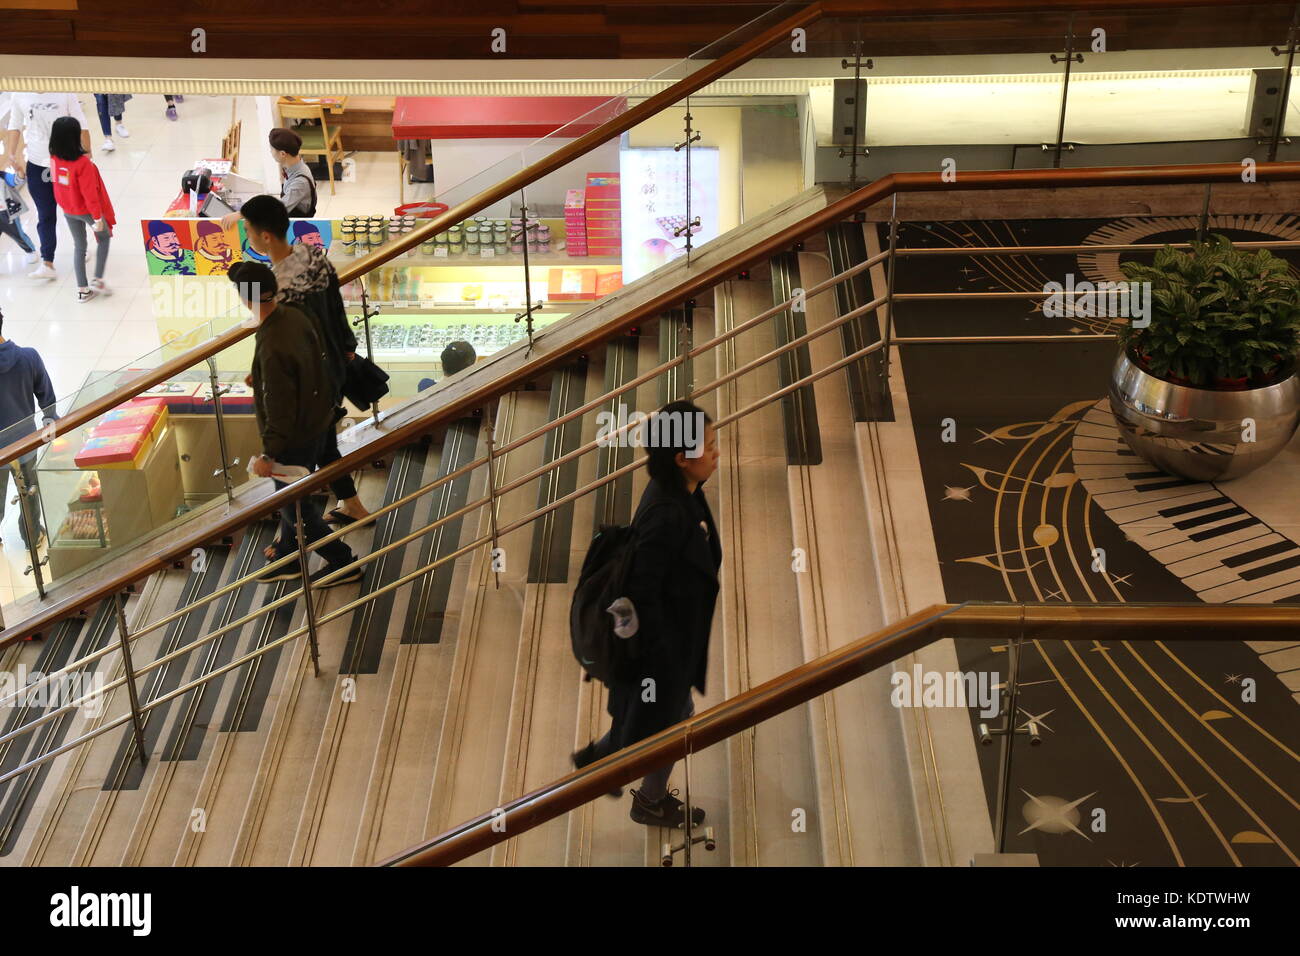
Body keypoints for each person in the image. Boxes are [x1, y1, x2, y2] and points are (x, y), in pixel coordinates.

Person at [571, 400, 722, 828]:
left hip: (671, 649)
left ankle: (601, 765)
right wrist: (664, 659)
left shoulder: (680, 491)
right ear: (681, 458)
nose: (716, 452)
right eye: (708, 446)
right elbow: (638, 595)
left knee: (663, 717)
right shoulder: (667, 515)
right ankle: (645, 798)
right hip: (660, 656)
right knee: (669, 723)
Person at [237, 195, 369, 537]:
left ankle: (294, 538)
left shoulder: (276, 286)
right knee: (324, 443)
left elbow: (279, 337)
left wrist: (268, 370)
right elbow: (336, 306)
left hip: (307, 378)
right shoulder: (312, 255)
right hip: (331, 367)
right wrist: (347, 348)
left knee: (294, 458)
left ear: (265, 235)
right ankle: (350, 505)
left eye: (248, 229)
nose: (246, 235)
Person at [227, 261, 362, 587]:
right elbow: (305, 363)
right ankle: (288, 556)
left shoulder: (273, 341)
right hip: (318, 420)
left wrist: (268, 456)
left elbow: (280, 409)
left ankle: (344, 563)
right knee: (293, 498)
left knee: (294, 507)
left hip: (293, 439)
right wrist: (261, 375)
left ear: (246, 298)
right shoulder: (292, 314)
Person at [4, 92, 91, 279]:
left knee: (75, 210)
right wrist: (11, 153)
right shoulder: (19, 93)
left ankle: (82, 248)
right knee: (45, 214)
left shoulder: (64, 91)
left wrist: (88, 155)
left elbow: (81, 123)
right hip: (37, 163)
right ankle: (47, 262)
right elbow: (15, 124)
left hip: (67, 161)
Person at [0, 306, 55, 551]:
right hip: (26, 444)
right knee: (30, 494)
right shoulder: (29, 357)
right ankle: (32, 538)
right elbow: (48, 400)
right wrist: (48, 425)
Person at [48, 116, 114, 303]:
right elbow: (89, 194)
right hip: (86, 210)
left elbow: (56, 184)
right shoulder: (83, 164)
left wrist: (64, 206)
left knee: (79, 246)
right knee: (104, 238)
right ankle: (98, 279)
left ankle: (82, 290)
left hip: (68, 210)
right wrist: (98, 219)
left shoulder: (54, 158)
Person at [268, 128, 316, 217]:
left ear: (283, 154)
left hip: (297, 227)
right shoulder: (296, 166)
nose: (270, 152)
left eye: (272, 149)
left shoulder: (300, 182)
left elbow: (276, 211)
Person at [1, 169, 37, 263]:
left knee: (17, 234)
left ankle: (30, 251)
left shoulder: (3, 176)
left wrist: (20, 171)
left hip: (7, 213)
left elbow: (17, 179)